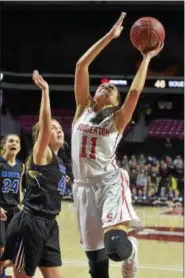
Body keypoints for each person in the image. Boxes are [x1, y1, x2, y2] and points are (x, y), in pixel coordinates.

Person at [71, 12, 163, 278]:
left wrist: (146, 58)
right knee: (96, 267)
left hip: (109, 183)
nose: (105, 87)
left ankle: (132, 250)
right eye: (102, 86)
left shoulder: (117, 119)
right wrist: (110, 37)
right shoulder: (82, 109)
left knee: (116, 249)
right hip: (82, 189)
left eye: (111, 88)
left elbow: (134, 92)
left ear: (115, 101)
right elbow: (81, 66)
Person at [1, 71, 65, 278]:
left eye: (59, 127)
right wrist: (45, 92)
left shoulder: (59, 162)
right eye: (53, 128)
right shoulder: (41, 153)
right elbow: (45, 127)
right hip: (31, 224)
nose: (58, 130)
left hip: (50, 225)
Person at [0, 134, 25, 278]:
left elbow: (19, 190)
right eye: (10, 141)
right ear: (4, 145)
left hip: (15, 210)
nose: (14, 143)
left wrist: (24, 207)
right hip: (1, 209)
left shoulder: (21, 166)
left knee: (19, 249)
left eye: (17, 141)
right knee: (2, 249)